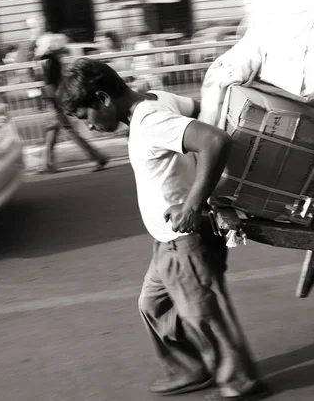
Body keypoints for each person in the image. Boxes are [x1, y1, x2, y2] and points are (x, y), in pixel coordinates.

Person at [57, 58, 270, 401]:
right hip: (166, 242)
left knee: (203, 315)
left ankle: (240, 384)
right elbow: (203, 108)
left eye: (86, 118)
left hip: (186, 241)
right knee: (153, 306)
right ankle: (192, 369)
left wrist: (192, 204)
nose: (90, 130)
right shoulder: (155, 99)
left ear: (103, 98)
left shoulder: (149, 120)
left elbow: (214, 140)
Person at [37, 52, 108, 174]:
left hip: (56, 113)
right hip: (55, 112)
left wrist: (53, 113)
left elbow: (52, 100)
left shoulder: (49, 82)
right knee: (51, 139)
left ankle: (99, 158)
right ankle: (46, 165)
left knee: (72, 136)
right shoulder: (57, 77)